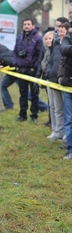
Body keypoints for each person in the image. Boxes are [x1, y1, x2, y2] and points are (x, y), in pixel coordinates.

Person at [0, 41, 48, 113]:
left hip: (17, 74)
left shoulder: (2, 55)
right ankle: (8, 105)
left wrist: (6, 67)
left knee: (26, 93)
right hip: (11, 74)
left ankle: (44, 107)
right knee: (2, 86)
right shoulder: (3, 51)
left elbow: (13, 63)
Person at [13, 18, 43, 122]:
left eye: (28, 24)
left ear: (33, 26)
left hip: (32, 71)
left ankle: (34, 116)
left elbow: (40, 55)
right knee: (23, 94)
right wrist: (16, 64)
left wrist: (34, 67)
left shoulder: (38, 38)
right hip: (21, 70)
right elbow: (15, 52)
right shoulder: (19, 37)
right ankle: (22, 115)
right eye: (24, 24)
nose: (26, 26)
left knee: (34, 94)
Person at [44, 17, 69, 141]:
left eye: (61, 28)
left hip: (64, 81)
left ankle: (66, 132)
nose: (58, 30)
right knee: (54, 107)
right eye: (57, 28)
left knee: (65, 108)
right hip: (52, 79)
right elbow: (51, 59)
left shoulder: (68, 43)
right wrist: (48, 72)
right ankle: (57, 131)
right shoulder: (55, 42)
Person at [57, 21, 72, 159]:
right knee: (69, 119)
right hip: (69, 84)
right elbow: (64, 49)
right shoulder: (68, 37)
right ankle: (70, 150)